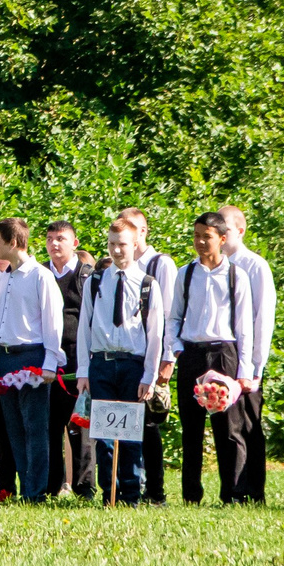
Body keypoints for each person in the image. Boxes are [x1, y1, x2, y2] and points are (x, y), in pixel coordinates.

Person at [161, 212, 267, 505]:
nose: (199, 242)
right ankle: (191, 495)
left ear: (221, 239)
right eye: (196, 236)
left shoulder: (237, 276)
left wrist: (245, 370)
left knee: (229, 429)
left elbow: (245, 327)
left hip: (224, 354)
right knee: (191, 428)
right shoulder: (186, 274)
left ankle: (233, 493)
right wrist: (177, 348)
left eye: (206, 236)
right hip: (192, 354)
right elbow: (174, 317)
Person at [75, 219, 168, 505]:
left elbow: (155, 334)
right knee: (103, 437)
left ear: (135, 244)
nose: (117, 251)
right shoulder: (96, 282)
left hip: (132, 365)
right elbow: (84, 327)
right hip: (101, 364)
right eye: (112, 244)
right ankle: (109, 494)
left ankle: (130, 494)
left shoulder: (147, 284)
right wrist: (83, 370)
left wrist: (149, 376)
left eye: (123, 245)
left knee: (130, 435)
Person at [0, 217, 65, 502]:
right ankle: (25, 484)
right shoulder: (6, 276)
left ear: (13, 242)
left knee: (34, 426)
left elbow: (53, 322)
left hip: (32, 357)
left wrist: (50, 363)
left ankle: (35, 490)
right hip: (5, 358)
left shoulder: (40, 276)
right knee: (13, 427)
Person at [216, 206, 278, 501]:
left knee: (249, 426)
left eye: (225, 226)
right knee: (228, 428)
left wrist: (255, 366)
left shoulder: (254, 265)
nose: (220, 231)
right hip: (223, 356)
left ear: (240, 230)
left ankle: (253, 490)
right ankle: (232, 488)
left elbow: (262, 318)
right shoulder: (213, 265)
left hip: (248, 359)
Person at [117, 211, 177, 502]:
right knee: (128, 423)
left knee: (150, 423)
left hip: (153, 355)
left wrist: (168, 358)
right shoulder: (121, 267)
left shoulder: (160, 264)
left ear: (144, 231)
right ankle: (131, 487)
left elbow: (167, 315)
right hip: (127, 354)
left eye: (135, 230)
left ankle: (156, 491)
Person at [41, 221, 95, 497]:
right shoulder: (40, 275)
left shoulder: (87, 277)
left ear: (74, 243)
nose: (54, 244)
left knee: (80, 425)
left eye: (61, 238)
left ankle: (84, 485)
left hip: (78, 361)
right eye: (50, 239)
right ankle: (52, 484)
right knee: (50, 425)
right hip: (47, 361)